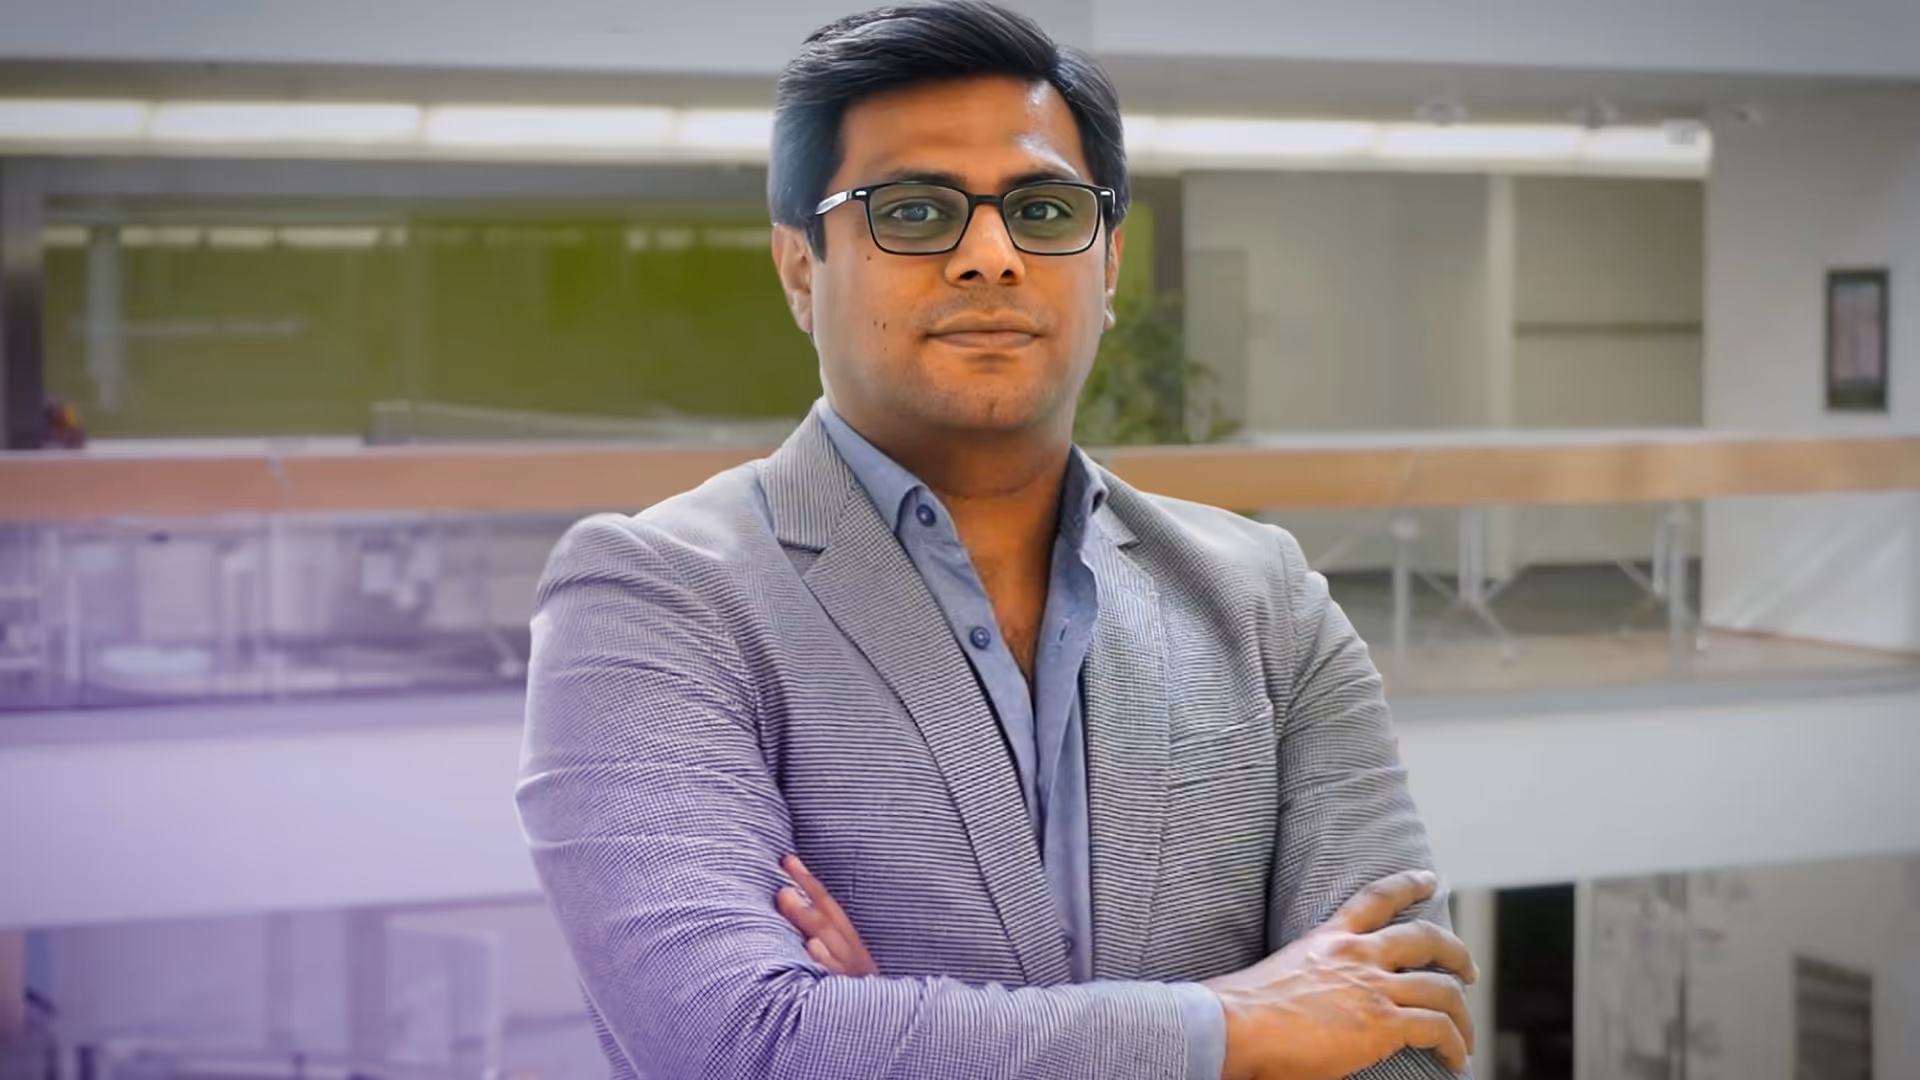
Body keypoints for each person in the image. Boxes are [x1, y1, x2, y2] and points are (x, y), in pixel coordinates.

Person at [515, 3, 1476, 1079]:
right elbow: (736, 1042)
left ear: (1107, 265)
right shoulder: (654, 595)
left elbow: (1404, 1035)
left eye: (1044, 209)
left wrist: (884, 1035)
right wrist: (1234, 1027)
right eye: (915, 211)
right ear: (800, 268)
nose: (990, 256)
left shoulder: (1265, 603)